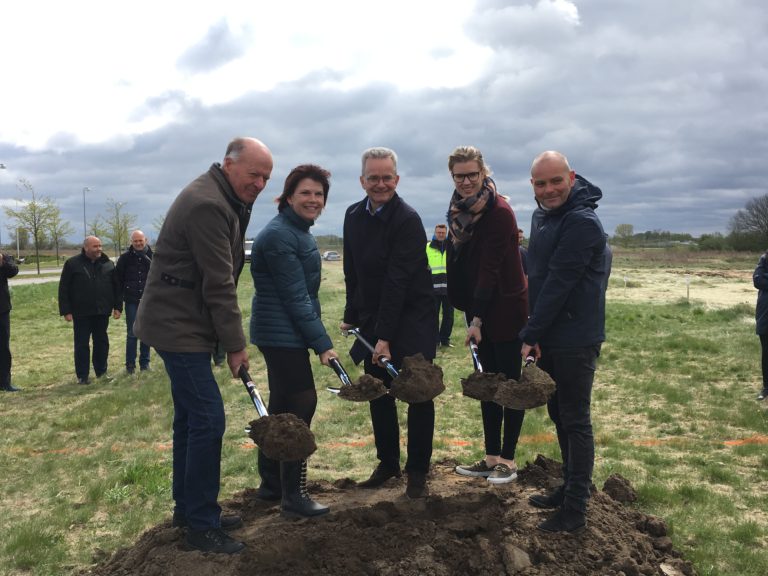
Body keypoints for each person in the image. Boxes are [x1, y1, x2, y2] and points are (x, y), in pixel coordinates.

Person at [133, 137, 273, 554]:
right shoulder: (208, 204)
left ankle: (189, 509)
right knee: (208, 419)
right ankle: (200, 523)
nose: (261, 183)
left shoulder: (222, 197)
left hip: (181, 322)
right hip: (177, 326)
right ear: (229, 164)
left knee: (191, 419)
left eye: (267, 176)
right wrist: (235, 345)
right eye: (254, 174)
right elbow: (219, 283)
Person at [520, 151, 612, 533]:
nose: (549, 189)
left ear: (571, 177)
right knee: (559, 414)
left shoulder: (582, 223)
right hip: (552, 336)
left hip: (576, 337)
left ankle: (575, 509)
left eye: (556, 181)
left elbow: (560, 283)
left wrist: (529, 335)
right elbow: (537, 277)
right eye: (541, 184)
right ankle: (571, 485)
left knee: (575, 419)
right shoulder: (542, 216)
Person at [341, 146, 438, 499]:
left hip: (413, 318)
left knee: (417, 393)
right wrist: (352, 316)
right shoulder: (353, 215)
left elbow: (398, 281)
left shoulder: (407, 219)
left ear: (396, 179)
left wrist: (385, 337)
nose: (380, 184)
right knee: (377, 391)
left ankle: (417, 472)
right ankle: (388, 463)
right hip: (372, 318)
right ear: (362, 180)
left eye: (386, 178)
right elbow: (353, 272)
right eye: (373, 178)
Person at [250, 164, 337, 518]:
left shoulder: (296, 230)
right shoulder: (280, 235)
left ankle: (272, 485)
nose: (313, 199)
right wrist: (322, 344)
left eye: (319, 194)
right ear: (288, 197)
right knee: (301, 406)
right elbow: (295, 297)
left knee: (284, 407)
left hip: (283, 332)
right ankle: (294, 495)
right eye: (305, 193)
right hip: (281, 332)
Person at [445, 145, 528, 485]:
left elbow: (490, 269)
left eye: (472, 175)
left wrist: (476, 320)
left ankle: (508, 461)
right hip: (478, 306)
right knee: (487, 383)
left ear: (483, 173)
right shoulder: (460, 208)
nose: (466, 181)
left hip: (505, 309)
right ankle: (491, 456)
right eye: (459, 175)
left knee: (509, 386)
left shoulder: (498, 212)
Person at [58, 236, 121, 384]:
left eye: (100, 246)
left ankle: (101, 372)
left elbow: (117, 288)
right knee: (81, 344)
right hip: (81, 312)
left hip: (102, 311)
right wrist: (66, 310)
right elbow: (64, 288)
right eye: (95, 246)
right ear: (86, 248)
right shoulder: (72, 264)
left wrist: (118, 307)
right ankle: (82, 376)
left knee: (101, 342)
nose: (99, 249)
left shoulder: (108, 264)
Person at [115, 230, 153, 374]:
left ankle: (145, 364)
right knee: (132, 333)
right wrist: (118, 304)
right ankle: (130, 366)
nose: (138, 243)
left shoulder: (153, 257)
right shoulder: (124, 259)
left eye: (140, 240)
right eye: (135, 241)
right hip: (131, 301)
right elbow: (118, 280)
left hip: (148, 301)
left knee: (146, 333)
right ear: (131, 242)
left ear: (146, 240)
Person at [427, 224, 454, 348]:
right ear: (435, 233)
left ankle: (445, 340)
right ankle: (435, 341)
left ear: (446, 233)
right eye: (439, 232)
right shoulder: (427, 247)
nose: (441, 234)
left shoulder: (452, 247)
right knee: (433, 316)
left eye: (443, 232)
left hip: (449, 289)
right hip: (433, 289)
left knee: (449, 316)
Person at [0, 252, 20, 392]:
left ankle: (5, 383)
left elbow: (13, 271)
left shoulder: (4, 257)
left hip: (1, 309)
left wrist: (2, 261)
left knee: (3, 348)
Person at [752, 250, 768, 401]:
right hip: (765, 316)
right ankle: (766, 387)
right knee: (766, 354)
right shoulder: (763, 260)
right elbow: (758, 281)